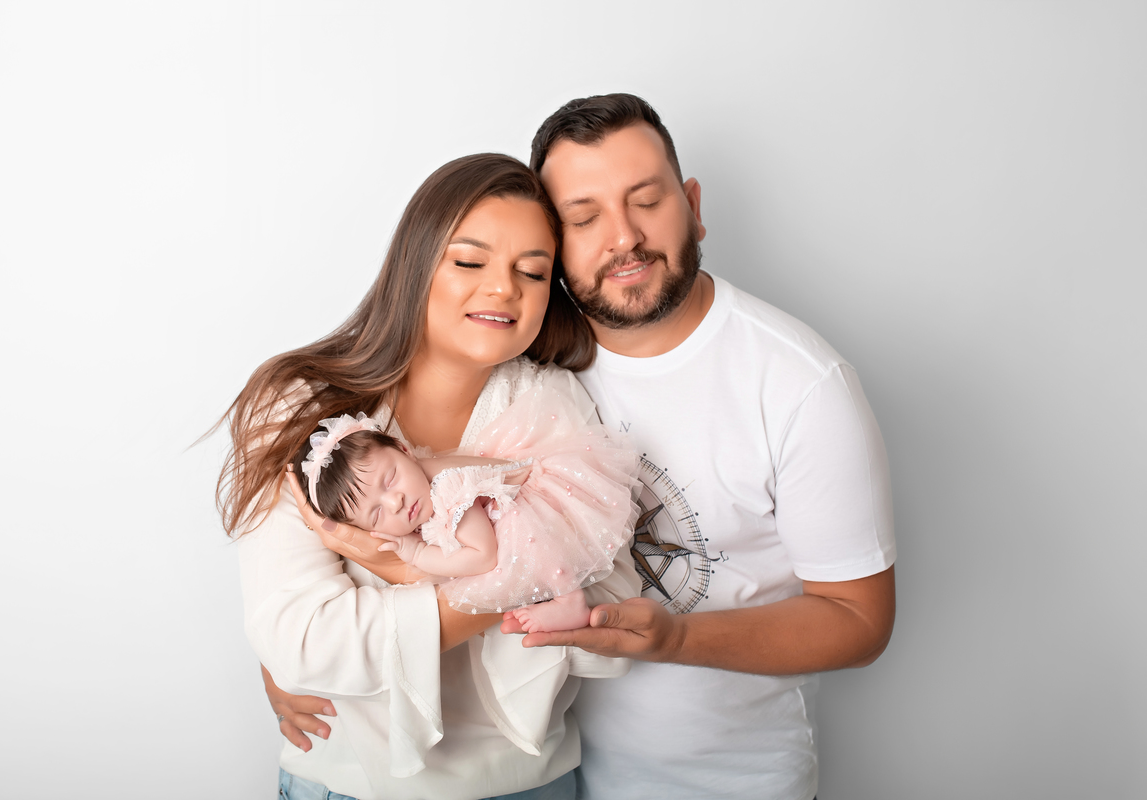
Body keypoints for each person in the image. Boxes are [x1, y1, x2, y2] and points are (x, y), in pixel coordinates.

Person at [268, 95, 897, 800]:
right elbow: (301, 612)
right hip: (569, 771)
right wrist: (295, 651)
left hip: (723, 780)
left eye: (647, 201)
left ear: (693, 206)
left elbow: (859, 621)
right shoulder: (533, 359)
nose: (623, 237)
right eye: (585, 217)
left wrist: (676, 640)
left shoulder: (798, 384)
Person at [217, 152, 639, 800]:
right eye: (470, 262)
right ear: (415, 265)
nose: (503, 289)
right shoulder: (301, 406)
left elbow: (608, 610)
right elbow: (300, 642)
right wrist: (515, 579)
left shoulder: (551, 403)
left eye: (532, 272)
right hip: (348, 784)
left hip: (530, 784)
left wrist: (395, 569)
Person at [291, 377, 639, 631]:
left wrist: (417, 553)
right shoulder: (421, 476)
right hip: (511, 490)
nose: (395, 502)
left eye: (390, 479)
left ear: (403, 449)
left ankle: (569, 601)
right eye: (377, 513)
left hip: (533, 501)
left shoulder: (447, 489)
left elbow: (484, 556)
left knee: (525, 542)